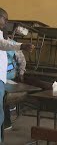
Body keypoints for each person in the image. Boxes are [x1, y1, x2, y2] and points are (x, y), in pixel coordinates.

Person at [0, 8, 34, 141]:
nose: (6, 22)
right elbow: (2, 44)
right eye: (5, 18)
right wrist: (21, 46)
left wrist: (21, 73)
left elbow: (21, 61)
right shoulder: (4, 40)